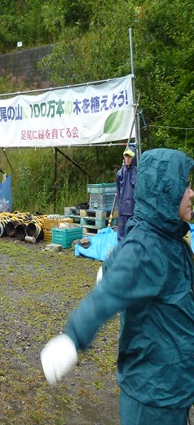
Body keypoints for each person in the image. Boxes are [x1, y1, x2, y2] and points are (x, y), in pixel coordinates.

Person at [41, 148, 194, 425]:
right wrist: (72, 339)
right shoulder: (148, 248)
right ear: (166, 190)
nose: (191, 193)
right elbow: (108, 295)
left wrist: (111, 267)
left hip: (174, 386)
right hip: (153, 395)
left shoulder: (171, 240)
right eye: (185, 186)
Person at [115, 146, 137, 240]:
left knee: (133, 231)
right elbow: (118, 189)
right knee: (121, 232)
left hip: (133, 208)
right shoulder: (120, 173)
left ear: (133, 158)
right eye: (126, 156)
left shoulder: (137, 172)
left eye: (129, 157)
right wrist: (120, 204)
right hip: (123, 208)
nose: (127, 159)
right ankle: (121, 247)